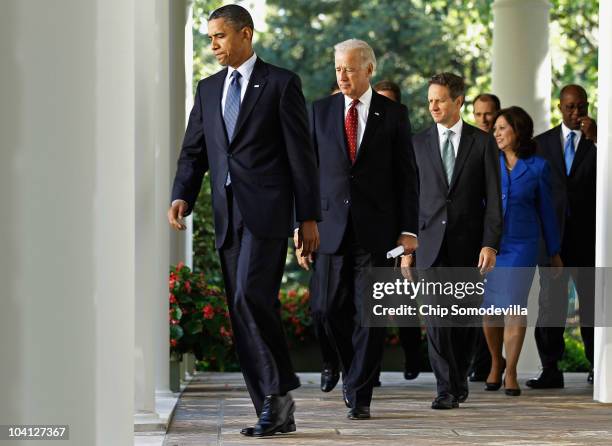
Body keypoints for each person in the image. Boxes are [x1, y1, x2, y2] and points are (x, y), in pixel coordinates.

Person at [167, 5, 321, 437]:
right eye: (210, 38)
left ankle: (279, 394)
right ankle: (273, 407)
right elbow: (195, 149)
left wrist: (307, 217)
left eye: (219, 36)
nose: (213, 45)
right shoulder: (208, 88)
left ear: (245, 35)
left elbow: (301, 157)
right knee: (241, 308)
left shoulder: (281, 84)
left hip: (268, 213)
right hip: (227, 215)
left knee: (251, 296)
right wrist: (182, 193)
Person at [299, 39, 419, 420]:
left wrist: (408, 231)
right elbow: (306, 175)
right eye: (338, 69)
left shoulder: (394, 115)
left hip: (378, 233)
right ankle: (353, 371)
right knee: (326, 309)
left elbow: (407, 177)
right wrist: (301, 226)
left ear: (369, 70)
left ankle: (360, 393)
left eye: (350, 68)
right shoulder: (319, 112)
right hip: (329, 229)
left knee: (371, 315)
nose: (343, 75)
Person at [407, 73, 502, 410]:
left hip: (469, 246)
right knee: (436, 320)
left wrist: (490, 244)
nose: (433, 105)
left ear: (458, 101)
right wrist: (407, 248)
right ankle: (445, 388)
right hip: (429, 246)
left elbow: (494, 199)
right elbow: (411, 199)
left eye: (440, 99)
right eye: (430, 99)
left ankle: (459, 378)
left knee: (463, 322)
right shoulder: (418, 143)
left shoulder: (482, 142)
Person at [482, 106, 562, 397]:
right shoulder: (487, 162)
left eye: (503, 128)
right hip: (491, 246)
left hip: (523, 245)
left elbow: (547, 213)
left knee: (514, 306)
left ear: (518, 131)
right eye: (496, 128)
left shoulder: (539, 167)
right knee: (490, 310)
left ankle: (511, 371)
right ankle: (495, 362)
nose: (497, 133)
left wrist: (554, 252)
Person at [527, 84, 597, 388]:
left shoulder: (601, 141)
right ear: (560, 107)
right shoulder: (541, 144)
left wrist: (598, 139)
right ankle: (550, 370)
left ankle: (599, 367)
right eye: (570, 107)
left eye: (580, 106)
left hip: (590, 240)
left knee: (593, 307)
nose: (576, 113)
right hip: (553, 240)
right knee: (550, 307)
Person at [373, 79, 425, 381]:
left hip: (401, 236)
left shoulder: (409, 142)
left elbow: (414, 191)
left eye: (389, 102)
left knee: (404, 301)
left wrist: (409, 243)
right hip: (374, 236)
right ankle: (371, 369)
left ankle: (413, 355)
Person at [468, 92, 501, 382]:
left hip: (503, 236)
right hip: (469, 236)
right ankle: (482, 363)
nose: (483, 120)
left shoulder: (506, 145)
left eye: (488, 114)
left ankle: (494, 363)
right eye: (478, 114)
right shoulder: (468, 144)